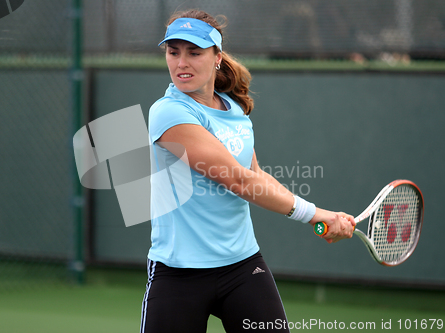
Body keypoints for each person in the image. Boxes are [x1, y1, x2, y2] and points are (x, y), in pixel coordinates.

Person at [140, 9, 355, 333]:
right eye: (173, 52)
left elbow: (255, 172)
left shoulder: (234, 109)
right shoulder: (167, 113)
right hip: (178, 273)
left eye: (194, 52)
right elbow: (239, 181)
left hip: (242, 267)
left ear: (217, 58)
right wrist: (314, 214)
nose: (181, 63)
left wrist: (321, 214)